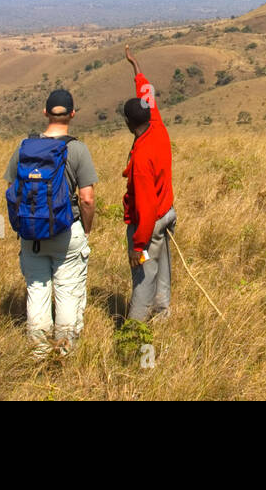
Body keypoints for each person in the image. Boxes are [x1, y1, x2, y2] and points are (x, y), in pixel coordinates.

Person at [3, 89, 98, 359]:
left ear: (45, 113)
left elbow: (12, 190)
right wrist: (86, 229)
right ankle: (64, 352)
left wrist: (21, 223)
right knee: (67, 292)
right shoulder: (77, 149)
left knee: (37, 290)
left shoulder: (24, 148)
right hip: (67, 231)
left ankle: (40, 351)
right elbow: (87, 199)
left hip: (31, 232)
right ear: (72, 114)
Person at [120, 44, 176, 323]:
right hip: (167, 214)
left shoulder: (141, 160)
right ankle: (163, 315)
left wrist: (137, 246)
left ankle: (135, 327)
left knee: (143, 275)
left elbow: (145, 205)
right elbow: (147, 92)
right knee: (162, 268)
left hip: (151, 221)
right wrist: (135, 66)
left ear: (130, 124)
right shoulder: (156, 124)